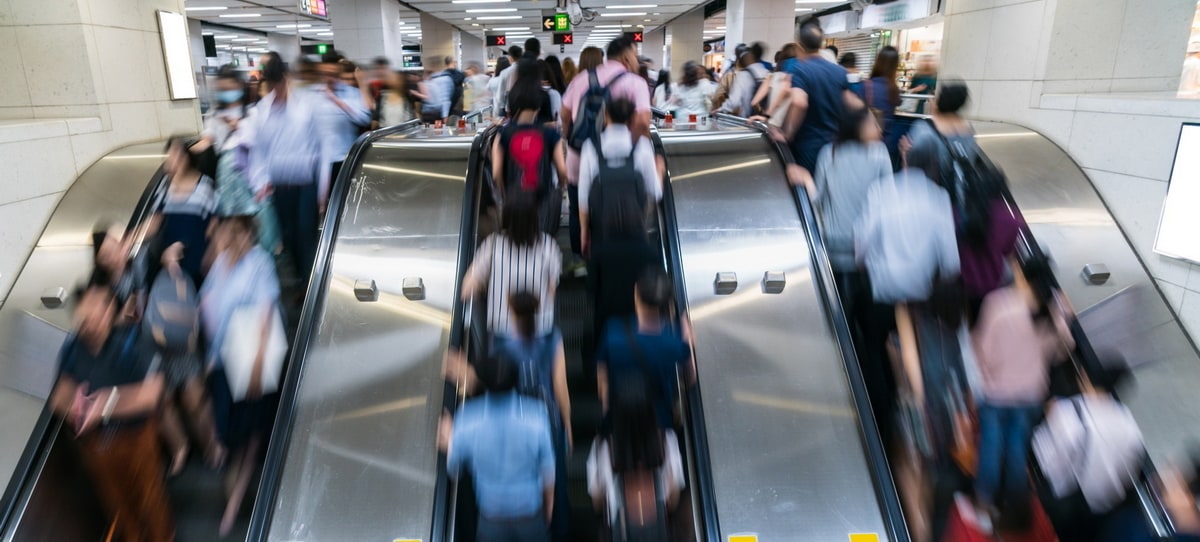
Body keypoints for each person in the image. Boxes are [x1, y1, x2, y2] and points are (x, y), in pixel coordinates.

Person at [50, 285, 173, 542]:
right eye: (85, 316)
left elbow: (152, 393)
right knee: (118, 504)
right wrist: (75, 407)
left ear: (109, 310)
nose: (91, 322)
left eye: (98, 311)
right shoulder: (72, 349)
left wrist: (104, 406)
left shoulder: (133, 341)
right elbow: (59, 396)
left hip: (136, 438)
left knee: (150, 498)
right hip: (97, 446)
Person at [971, 257, 1075, 530]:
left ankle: (983, 507)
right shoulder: (1054, 312)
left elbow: (985, 353)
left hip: (996, 393)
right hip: (1030, 394)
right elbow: (1063, 349)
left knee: (991, 445)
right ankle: (1015, 512)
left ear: (1022, 275)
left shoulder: (999, 304)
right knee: (1017, 449)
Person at [199, 213, 283, 536]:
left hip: (249, 361)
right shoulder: (221, 264)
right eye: (233, 234)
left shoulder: (260, 263)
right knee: (231, 431)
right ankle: (234, 490)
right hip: (223, 360)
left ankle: (235, 501)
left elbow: (265, 311)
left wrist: (259, 365)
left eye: (241, 235)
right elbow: (208, 304)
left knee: (250, 433)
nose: (238, 240)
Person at [441, 350, 556, 542]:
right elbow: (548, 471)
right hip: (529, 514)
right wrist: (548, 509)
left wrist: (451, 438)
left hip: (491, 519)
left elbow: (454, 467)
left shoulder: (466, 420)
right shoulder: (537, 416)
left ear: (483, 382)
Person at [245, 51, 329, 289]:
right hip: (280, 184)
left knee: (306, 233)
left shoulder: (306, 105)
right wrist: (260, 182)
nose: (277, 91)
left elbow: (322, 146)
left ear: (286, 79)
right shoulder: (263, 110)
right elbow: (258, 151)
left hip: (306, 182)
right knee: (288, 235)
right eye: (271, 85)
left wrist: (323, 186)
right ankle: (301, 278)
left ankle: (311, 286)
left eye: (279, 84)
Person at [562, 38, 653, 259]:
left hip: (580, 156)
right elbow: (642, 122)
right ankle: (615, 259)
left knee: (578, 207)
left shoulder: (581, 78)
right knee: (618, 211)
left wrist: (571, 141)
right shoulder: (635, 82)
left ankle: (579, 260)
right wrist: (633, 147)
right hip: (621, 164)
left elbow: (564, 115)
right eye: (635, 55)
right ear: (626, 57)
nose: (636, 60)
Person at [494, 292, 572, 541]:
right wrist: (567, 424)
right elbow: (560, 385)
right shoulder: (552, 338)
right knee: (555, 485)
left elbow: (495, 386)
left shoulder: (499, 342)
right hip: (548, 421)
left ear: (510, 310)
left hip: (513, 424)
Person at [810, 107, 893, 331]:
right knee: (869, 318)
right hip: (868, 248)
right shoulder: (880, 152)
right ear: (857, 127)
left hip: (833, 244)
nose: (877, 128)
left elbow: (817, 198)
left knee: (838, 310)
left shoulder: (830, 152)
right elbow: (889, 199)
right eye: (871, 123)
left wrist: (805, 179)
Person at [596, 267, 695, 430]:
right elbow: (690, 378)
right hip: (660, 427)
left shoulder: (612, 331)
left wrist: (609, 417)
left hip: (621, 425)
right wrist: (687, 339)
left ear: (636, 293)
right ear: (668, 301)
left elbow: (602, 383)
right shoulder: (675, 343)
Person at [587, 374, 685, 538]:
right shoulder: (668, 441)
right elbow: (673, 498)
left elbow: (597, 503)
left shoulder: (601, 448)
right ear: (650, 410)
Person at [461, 193, 561, 337]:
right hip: (539, 330)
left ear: (507, 218)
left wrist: (484, 288)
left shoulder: (493, 245)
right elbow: (551, 292)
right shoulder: (549, 245)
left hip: (502, 331)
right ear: (534, 217)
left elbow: (467, 288)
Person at [577, 97, 661, 257]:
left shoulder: (590, 147)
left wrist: (584, 232)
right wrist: (661, 170)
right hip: (635, 233)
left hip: (602, 233)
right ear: (631, 118)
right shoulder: (641, 146)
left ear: (606, 115)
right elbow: (655, 192)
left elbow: (583, 197)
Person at [784, 22, 862, 186]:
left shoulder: (801, 70)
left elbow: (799, 102)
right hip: (834, 146)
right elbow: (854, 105)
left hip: (808, 145)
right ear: (821, 44)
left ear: (799, 45)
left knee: (807, 192)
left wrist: (788, 133)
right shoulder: (839, 71)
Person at [493, 75, 568, 231]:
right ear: (538, 105)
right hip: (542, 199)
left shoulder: (503, 133)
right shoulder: (550, 134)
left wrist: (505, 196)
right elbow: (562, 170)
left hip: (515, 201)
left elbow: (496, 173)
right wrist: (559, 190)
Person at [587, 181, 659, 341]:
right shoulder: (651, 253)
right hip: (644, 326)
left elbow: (591, 290)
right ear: (638, 218)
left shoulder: (599, 252)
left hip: (608, 325)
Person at [149, 135, 218, 287]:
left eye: (177, 155)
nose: (173, 160)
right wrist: (129, 239)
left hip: (199, 263)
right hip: (171, 263)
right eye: (170, 156)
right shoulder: (164, 189)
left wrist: (212, 256)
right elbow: (155, 221)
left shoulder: (205, 187)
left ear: (186, 158)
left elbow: (214, 226)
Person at [314, 52, 372, 181]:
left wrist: (337, 101)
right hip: (320, 160)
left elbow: (364, 119)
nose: (330, 78)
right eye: (327, 74)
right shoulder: (314, 95)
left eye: (333, 74)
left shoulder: (352, 93)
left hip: (345, 158)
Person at [858, 46, 903, 169]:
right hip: (887, 144)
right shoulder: (894, 89)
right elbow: (898, 103)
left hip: (866, 143)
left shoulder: (866, 86)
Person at [751, 44, 800, 130]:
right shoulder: (799, 79)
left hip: (771, 125)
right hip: (790, 128)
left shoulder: (771, 76)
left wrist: (764, 114)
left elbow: (754, 103)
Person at [717, 52, 761, 117]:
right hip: (763, 116)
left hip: (747, 117)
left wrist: (721, 109)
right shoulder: (766, 72)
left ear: (738, 62)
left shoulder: (741, 75)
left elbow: (734, 101)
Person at [422, 56, 455, 123]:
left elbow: (445, 99)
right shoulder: (428, 79)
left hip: (436, 113)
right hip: (428, 113)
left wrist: (445, 116)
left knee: (436, 132)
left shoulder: (444, 79)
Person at [494, 45, 523, 117]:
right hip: (526, 108)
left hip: (510, 109)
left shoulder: (505, 72)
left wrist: (498, 112)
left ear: (510, 57)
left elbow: (500, 95)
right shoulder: (527, 70)